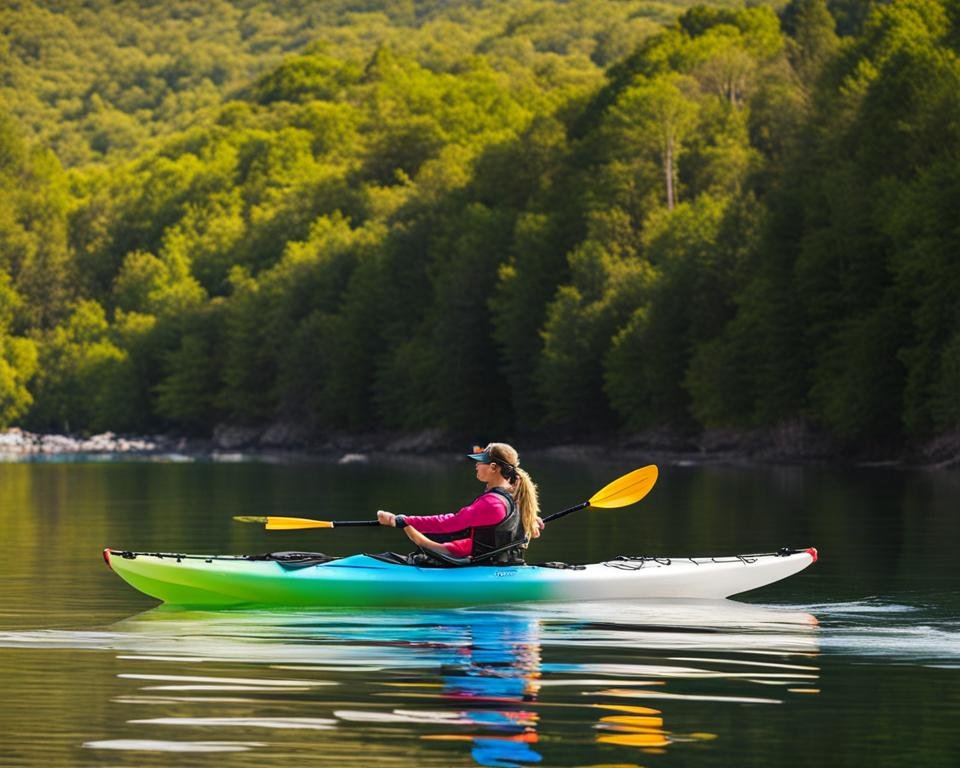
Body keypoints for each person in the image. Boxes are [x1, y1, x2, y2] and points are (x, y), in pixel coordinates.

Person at [377, 443, 543, 564]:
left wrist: (402, 520)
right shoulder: (515, 498)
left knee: (425, 541)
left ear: (493, 467)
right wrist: (530, 520)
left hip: (486, 564)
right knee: (436, 536)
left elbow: (449, 523)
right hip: (498, 560)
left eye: (480, 462)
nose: (476, 465)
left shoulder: (492, 503)